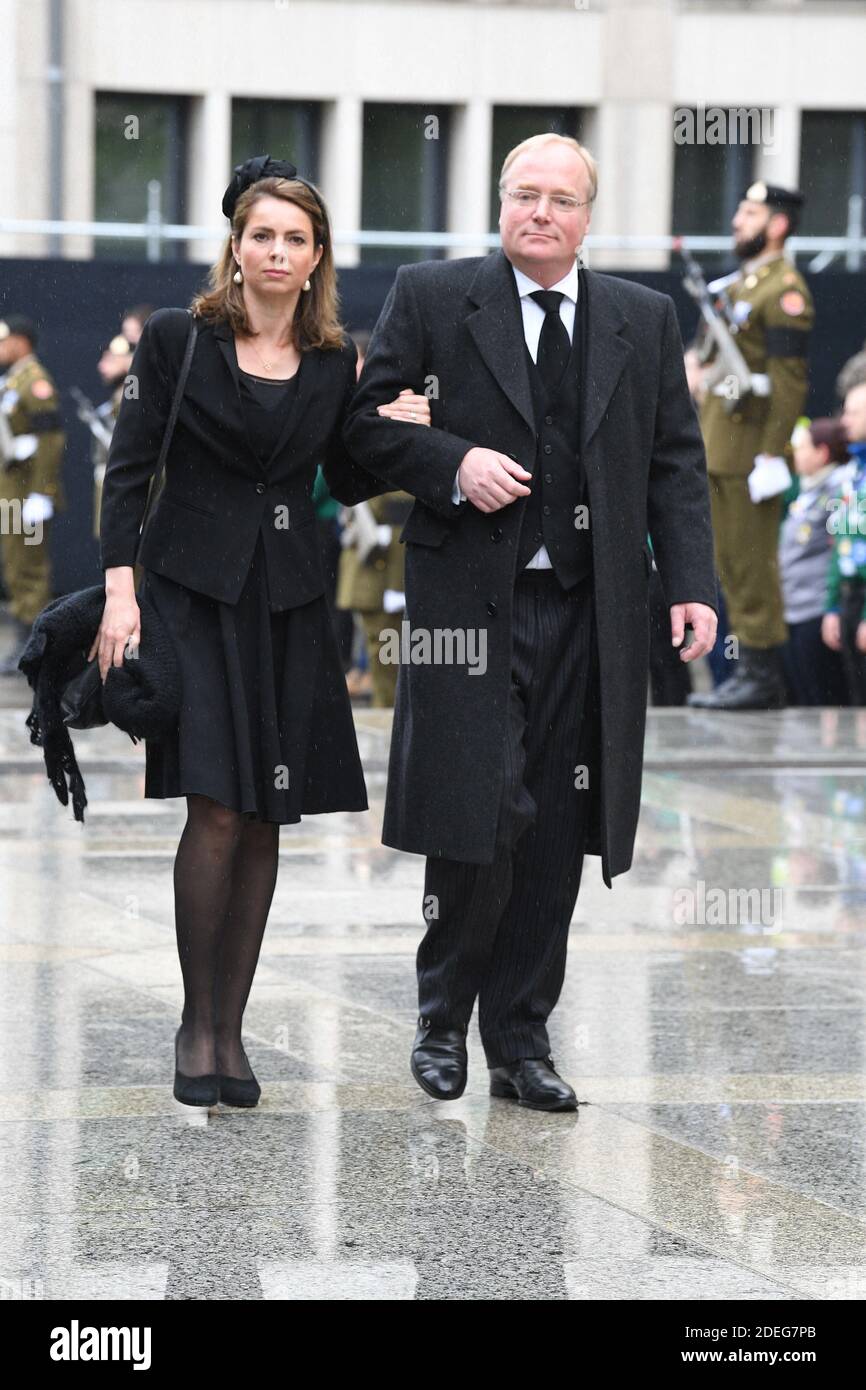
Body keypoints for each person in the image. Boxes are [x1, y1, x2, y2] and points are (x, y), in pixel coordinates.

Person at [343, 133, 718, 1112]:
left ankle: (519, 1037)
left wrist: (691, 586)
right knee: (481, 807)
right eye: (523, 194)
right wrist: (450, 464)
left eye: (560, 198)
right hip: (470, 608)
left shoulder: (639, 316)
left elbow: (673, 464)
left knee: (555, 821)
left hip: (590, 613)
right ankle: (439, 1017)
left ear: (588, 216)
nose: (539, 212)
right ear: (498, 202)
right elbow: (364, 428)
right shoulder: (433, 297)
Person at [92, 155, 428, 1108]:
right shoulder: (176, 340)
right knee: (219, 809)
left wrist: (402, 428)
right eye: (261, 236)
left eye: (296, 239)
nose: (277, 252)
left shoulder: (333, 362)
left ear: (318, 256)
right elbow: (130, 471)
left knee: (269, 815)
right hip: (191, 596)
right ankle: (194, 1029)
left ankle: (233, 1034)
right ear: (234, 249)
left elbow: (345, 475)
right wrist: (122, 594)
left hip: (287, 603)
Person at [688, 181, 814, 710]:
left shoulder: (783, 291)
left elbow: (788, 384)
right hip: (720, 444)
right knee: (730, 564)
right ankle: (748, 673)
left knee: (752, 563)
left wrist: (771, 452)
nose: (738, 220)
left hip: (749, 455)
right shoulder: (742, 285)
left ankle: (761, 675)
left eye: (750, 212)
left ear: (777, 224)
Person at [0, 314, 66, 675]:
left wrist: (43, 492)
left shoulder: (35, 382)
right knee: (15, 567)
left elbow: (51, 439)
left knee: (30, 571)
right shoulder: (13, 381)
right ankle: (25, 643)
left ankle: (36, 647)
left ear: (20, 343)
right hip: (11, 493)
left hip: (27, 496)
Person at [779, 417, 849, 705]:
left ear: (822, 452)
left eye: (803, 447)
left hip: (817, 610)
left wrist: (833, 605)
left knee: (824, 698)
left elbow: (839, 550)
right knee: (802, 695)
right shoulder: (808, 491)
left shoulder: (838, 489)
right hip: (794, 608)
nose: (796, 453)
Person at [821, 381, 866, 705]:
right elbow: (840, 544)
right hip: (850, 598)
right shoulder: (849, 474)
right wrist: (833, 606)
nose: (844, 421)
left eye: (853, 413)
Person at [89, 331, 134, 540]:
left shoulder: (135, 393)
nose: (102, 366)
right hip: (116, 484)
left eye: (111, 358)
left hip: (132, 487)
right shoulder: (119, 398)